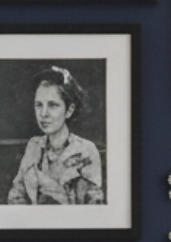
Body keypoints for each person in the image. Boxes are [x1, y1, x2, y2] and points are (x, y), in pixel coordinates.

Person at [7, 66, 103, 205]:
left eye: (52, 105)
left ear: (69, 110)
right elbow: (16, 195)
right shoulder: (33, 146)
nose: (43, 114)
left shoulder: (86, 150)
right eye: (39, 105)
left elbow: (94, 208)